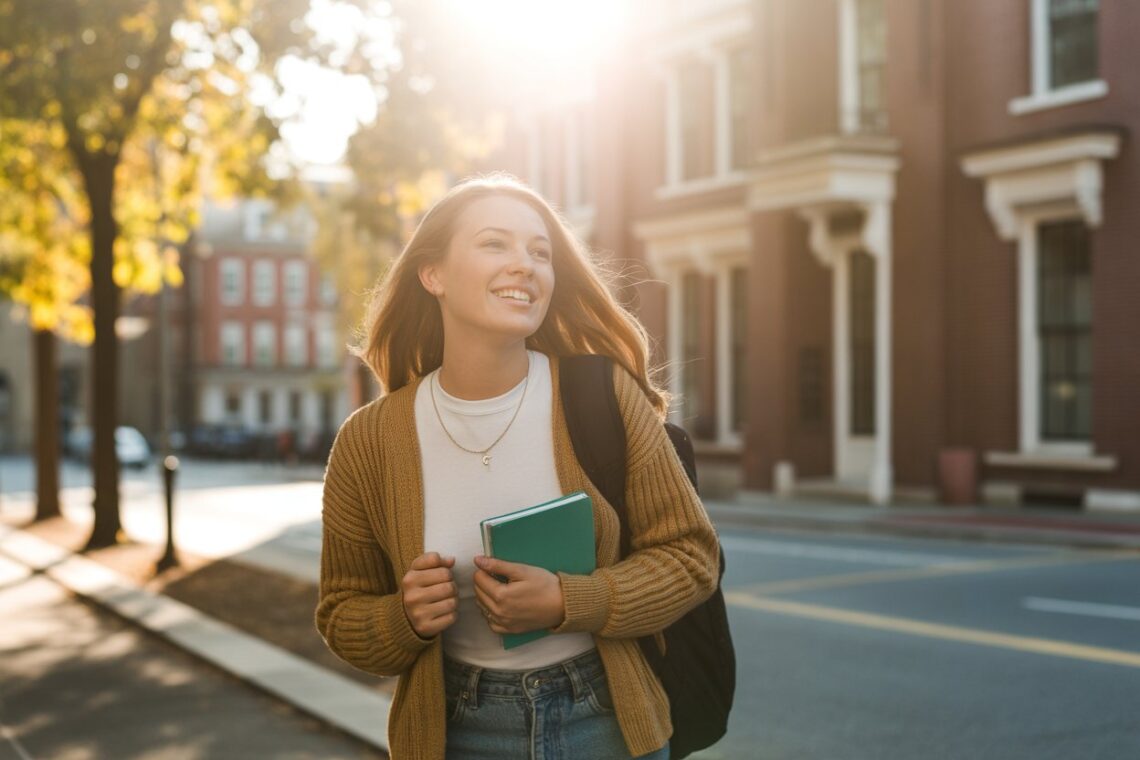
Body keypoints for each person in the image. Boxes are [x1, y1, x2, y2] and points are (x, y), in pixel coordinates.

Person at [316, 173, 719, 760]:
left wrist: (569, 601)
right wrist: (403, 617)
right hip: (455, 735)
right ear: (433, 275)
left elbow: (691, 556)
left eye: (540, 252)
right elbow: (341, 614)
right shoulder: (368, 441)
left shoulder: (604, 395)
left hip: (607, 725)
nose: (524, 265)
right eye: (494, 243)